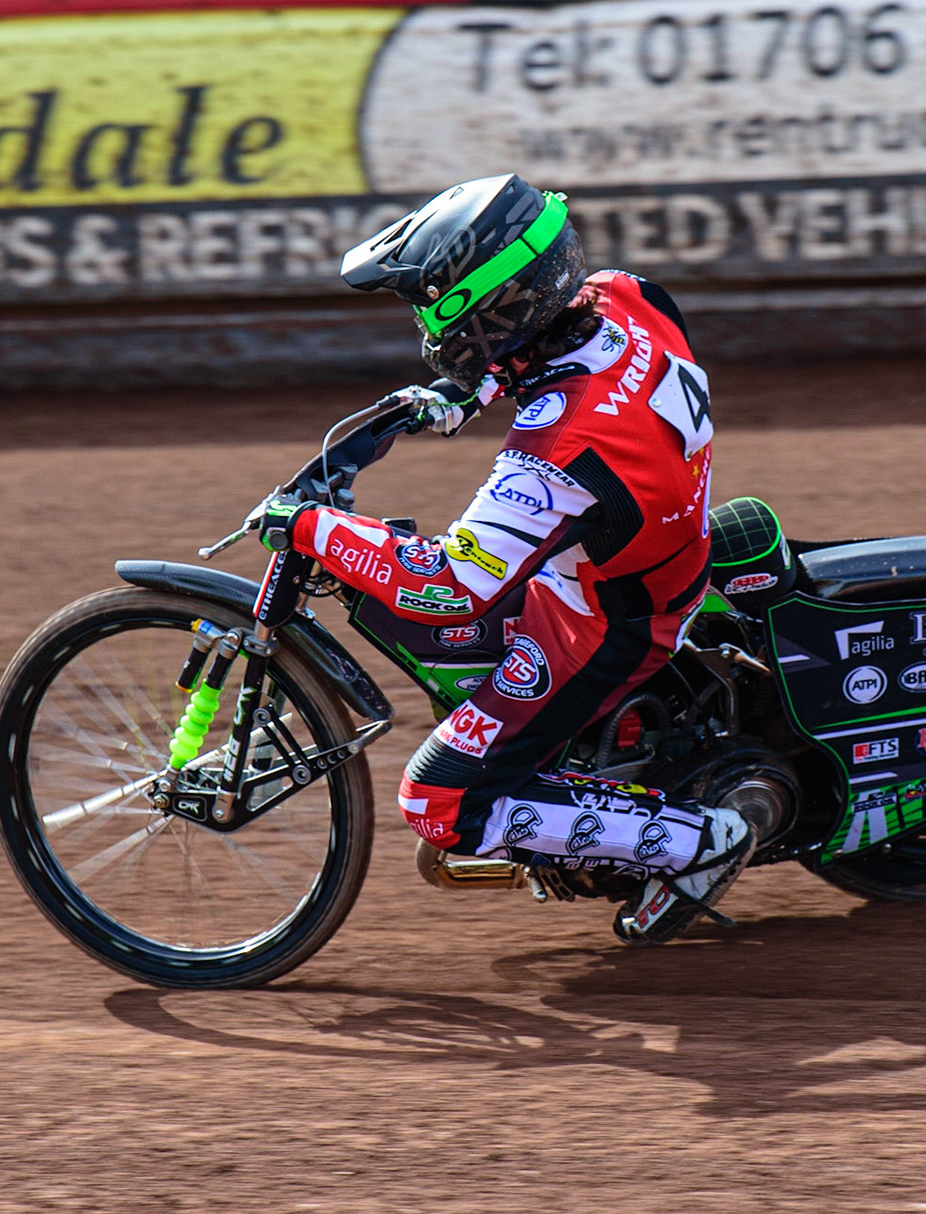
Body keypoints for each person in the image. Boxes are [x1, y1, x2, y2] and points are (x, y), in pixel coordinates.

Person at [244, 174, 750, 945]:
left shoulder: (555, 457)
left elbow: (449, 587)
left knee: (438, 805)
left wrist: (311, 528)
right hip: (648, 548)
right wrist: (467, 392)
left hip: (603, 623)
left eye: (433, 306)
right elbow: (552, 356)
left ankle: (701, 843)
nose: (424, 325)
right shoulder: (627, 297)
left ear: (493, 302)